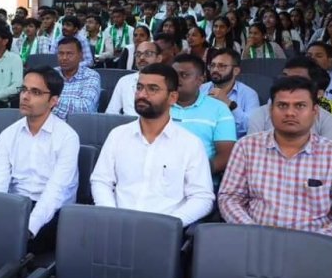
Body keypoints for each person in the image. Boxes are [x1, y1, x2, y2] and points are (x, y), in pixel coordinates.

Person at [219, 76, 332, 242]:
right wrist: (253, 231)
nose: (290, 112)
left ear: (315, 111)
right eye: (282, 105)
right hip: (255, 244)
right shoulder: (247, 147)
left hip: (313, 249)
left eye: (300, 106)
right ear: (270, 110)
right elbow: (229, 197)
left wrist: (319, 241)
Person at [90, 63, 214, 225]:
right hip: (116, 225)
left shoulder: (190, 144)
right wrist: (111, 216)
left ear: (173, 98)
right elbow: (101, 181)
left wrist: (170, 224)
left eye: (153, 89)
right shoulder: (118, 135)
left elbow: (202, 197)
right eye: (139, 87)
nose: (142, 94)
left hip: (164, 231)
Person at [0, 66, 78, 254]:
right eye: (24, 89)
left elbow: (55, 192)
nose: (25, 97)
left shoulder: (67, 137)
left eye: (35, 92)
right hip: (15, 205)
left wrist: (27, 229)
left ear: (53, 100)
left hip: (53, 212)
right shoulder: (8, 134)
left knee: (8, 247)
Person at [172, 54, 237, 182]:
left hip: (201, 180)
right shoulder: (159, 106)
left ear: (200, 80)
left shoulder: (219, 109)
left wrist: (195, 173)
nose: (177, 80)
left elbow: (226, 155)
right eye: (174, 76)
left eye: (184, 75)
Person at [247, 56, 332, 141]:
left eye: (297, 80)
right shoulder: (260, 115)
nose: (288, 83)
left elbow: (326, 158)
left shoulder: (328, 121)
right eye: (284, 77)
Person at [200, 48, 260, 138]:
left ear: (236, 71)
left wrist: (229, 104)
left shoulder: (249, 94)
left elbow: (252, 127)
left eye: (222, 66)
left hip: (235, 145)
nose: (215, 70)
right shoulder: (201, 89)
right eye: (212, 65)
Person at [106, 41, 162, 116]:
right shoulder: (125, 81)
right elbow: (111, 114)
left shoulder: (166, 82)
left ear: (159, 58)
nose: (141, 58)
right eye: (138, 54)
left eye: (148, 53)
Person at [52, 36, 100, 119]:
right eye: (61, 53)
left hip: (79, 127)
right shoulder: (51, 74)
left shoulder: (91, 75)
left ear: (80, 56)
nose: (64, 58)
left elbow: (86, 109)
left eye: (69, 54)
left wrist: (50, 102)